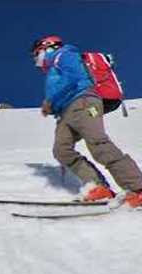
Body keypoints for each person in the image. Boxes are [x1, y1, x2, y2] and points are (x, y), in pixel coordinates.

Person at [31, 35, 142, 207]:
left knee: (98, 144)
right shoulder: (54, 67)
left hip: (83, 101)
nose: (36, 59)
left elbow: (78, 77)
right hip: (65, 111)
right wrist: (51, 105)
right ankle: (98, 189)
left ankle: (137, 189)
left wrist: (51, 101)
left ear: (48, 47)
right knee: (61, 151)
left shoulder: (64, 55)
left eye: (37, 53)